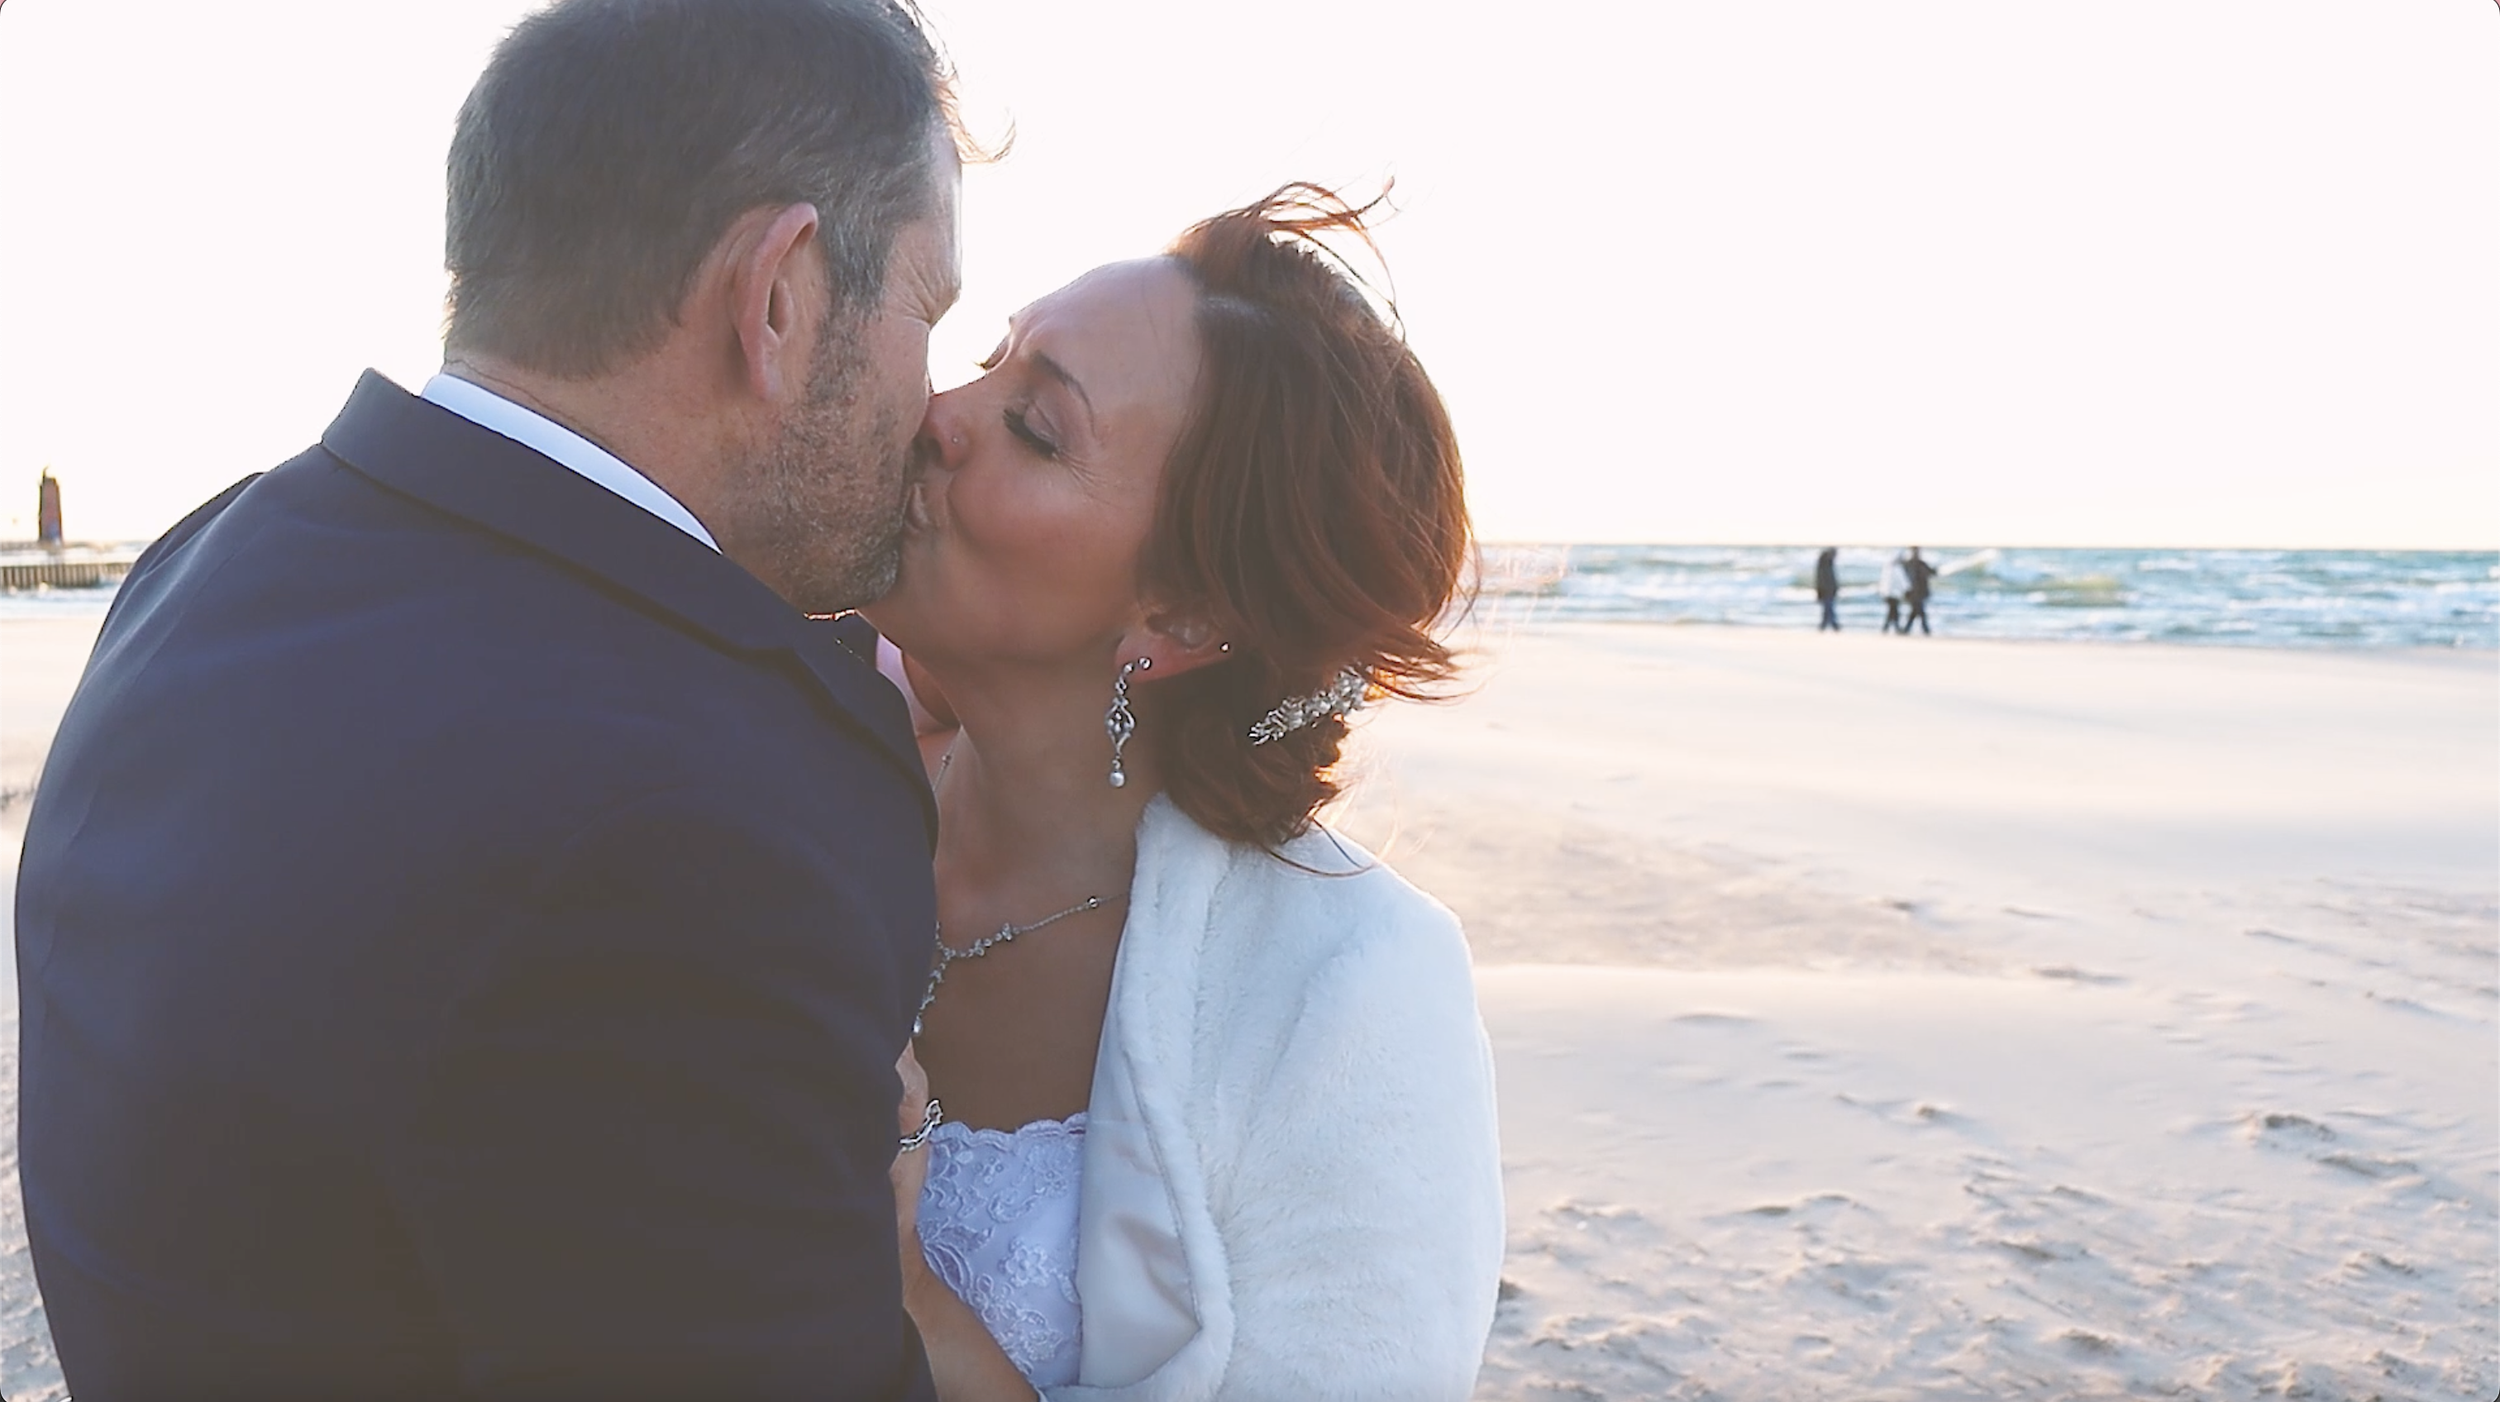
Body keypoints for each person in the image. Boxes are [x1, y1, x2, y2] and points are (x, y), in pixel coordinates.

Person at [15, 2, 963, 1394]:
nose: (937, 400)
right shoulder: (693, 826)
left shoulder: (207, 569)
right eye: (929, 309)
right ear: (780, 296)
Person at [864, 187, 1504, 1400]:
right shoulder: (797, 755)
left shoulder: (1348, 993)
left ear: (1185, 614)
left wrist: (902, 1301)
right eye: (986, 360)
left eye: (1036, 427)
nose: (937, 413)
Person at [1901, 545, 1937, 635]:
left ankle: (1907, 630)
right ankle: (1925, 630)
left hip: (1920, 592)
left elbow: (1931, 573)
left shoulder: (1920, 563)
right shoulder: (1908, 564)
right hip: (1912, 592)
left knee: (1915, 611)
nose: (1916, 553)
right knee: (1919, 611)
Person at [1879, 548, 1909, 633]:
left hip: (1887, 593)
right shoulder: (1897, 568)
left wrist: (1882, 591)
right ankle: (1894, 628)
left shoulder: (1887, 568)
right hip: (1894, 594)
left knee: (1891, 610)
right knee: (1893, 611)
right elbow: (1903, 581)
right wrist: (1908, 589)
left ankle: (1888, 627)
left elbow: (1883, 581)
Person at [1813, 546, 1840, 630]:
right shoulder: (1826, 564)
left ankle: (1824, 626)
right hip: (1826, 591)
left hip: (1828, 590)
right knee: (1829, 609)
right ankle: (1834, 626)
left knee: (1827, 610)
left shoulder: (1826, 564)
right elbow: (1825, 579)